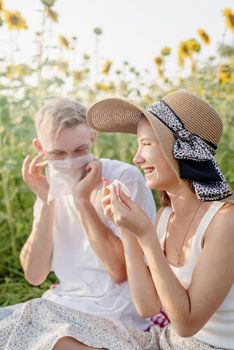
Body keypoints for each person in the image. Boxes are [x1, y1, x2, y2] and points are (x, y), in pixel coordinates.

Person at [0, 91, 233, 350]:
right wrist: (129, 231)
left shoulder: (225, 220)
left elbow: (186, 325)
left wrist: (145, 236)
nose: (137, 157)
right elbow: (147, 306)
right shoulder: (167, 216)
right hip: (165, 342)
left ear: (181, 150)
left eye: (146, 144)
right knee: (35, 317)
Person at [0, 98, 156, 331]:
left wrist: (82, 200)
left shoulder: (124, 179)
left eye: (80, 150)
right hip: (63, 304)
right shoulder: (50, 184)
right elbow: (34, 274)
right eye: (58, 153)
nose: (70, 161)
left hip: (112, 312)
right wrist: (46, 201)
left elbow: (120, 271)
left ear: (93, 138)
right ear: (40, 149)